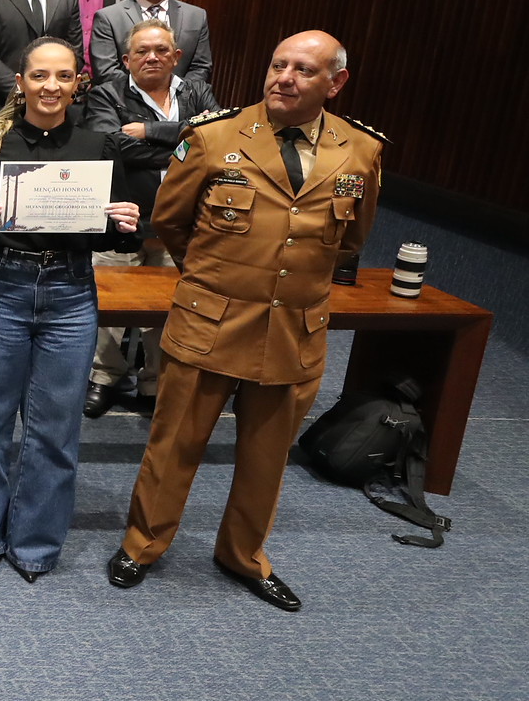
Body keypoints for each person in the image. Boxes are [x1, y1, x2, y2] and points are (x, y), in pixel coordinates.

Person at [109, 32, 383, 611]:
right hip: (210, 320)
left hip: (293, 329)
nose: (285, 77)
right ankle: (143, 543)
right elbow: (171, 222)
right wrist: (220, 278)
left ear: (335, 82)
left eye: (303, 70)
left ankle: (243, 554)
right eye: (278, 64)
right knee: (174, 445)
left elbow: (351, 239)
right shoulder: (214, 136)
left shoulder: (360, 150)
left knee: (267, 457)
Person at [0, 37, 142, 579]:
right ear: (20, 82)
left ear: (78, 83)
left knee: (56, 429)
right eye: (39, 76)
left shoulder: (99, 146)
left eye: (63, 76)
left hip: (70, 292)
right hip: (0, 287)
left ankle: (35, 544)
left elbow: (117, 235)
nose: (51, 86)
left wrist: (126, 225)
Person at [82, 19, 220, 417]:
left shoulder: (197, 91)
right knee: (108, 303)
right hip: (122, 218)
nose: (152, 57)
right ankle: (104, 377)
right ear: (127, 60)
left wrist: (150, 130)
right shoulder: (106, 94)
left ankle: (154, 381)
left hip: (181, 222)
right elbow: (111, 147)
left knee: (167, 305)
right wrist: (186, 143)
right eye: (142, 51)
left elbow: (218, 138)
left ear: (176, 57)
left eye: (161, 50)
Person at [89, 0, 214, 88]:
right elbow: (106, 71)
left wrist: (174, 95)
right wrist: (146, 95)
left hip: (182, 99)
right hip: (125, 99)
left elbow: (201, 67)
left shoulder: (196, 16)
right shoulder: (108, 17)